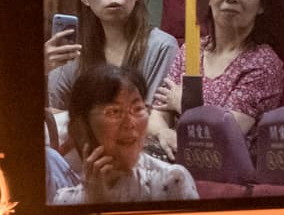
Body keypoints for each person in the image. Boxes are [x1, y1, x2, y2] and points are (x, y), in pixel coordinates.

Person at [148, 0, 284, 159]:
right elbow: (157, 113)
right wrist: (163, 133)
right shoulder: (191, 50)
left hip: (228, 172)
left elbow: (227, 131)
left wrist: (183, 103)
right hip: (175, 156)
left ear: (262, 4)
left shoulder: (264, 62)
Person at [45, 0, 177, 110]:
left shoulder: (161, 47)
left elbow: (155, 118)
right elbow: (56, 115)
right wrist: (44, 68)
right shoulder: (72, 52)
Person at [50, 64, 198, 204]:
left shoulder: (173, 181)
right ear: (82, 127)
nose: (129, 123)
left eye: (138, 108)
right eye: (114, 111)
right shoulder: (65, 200)